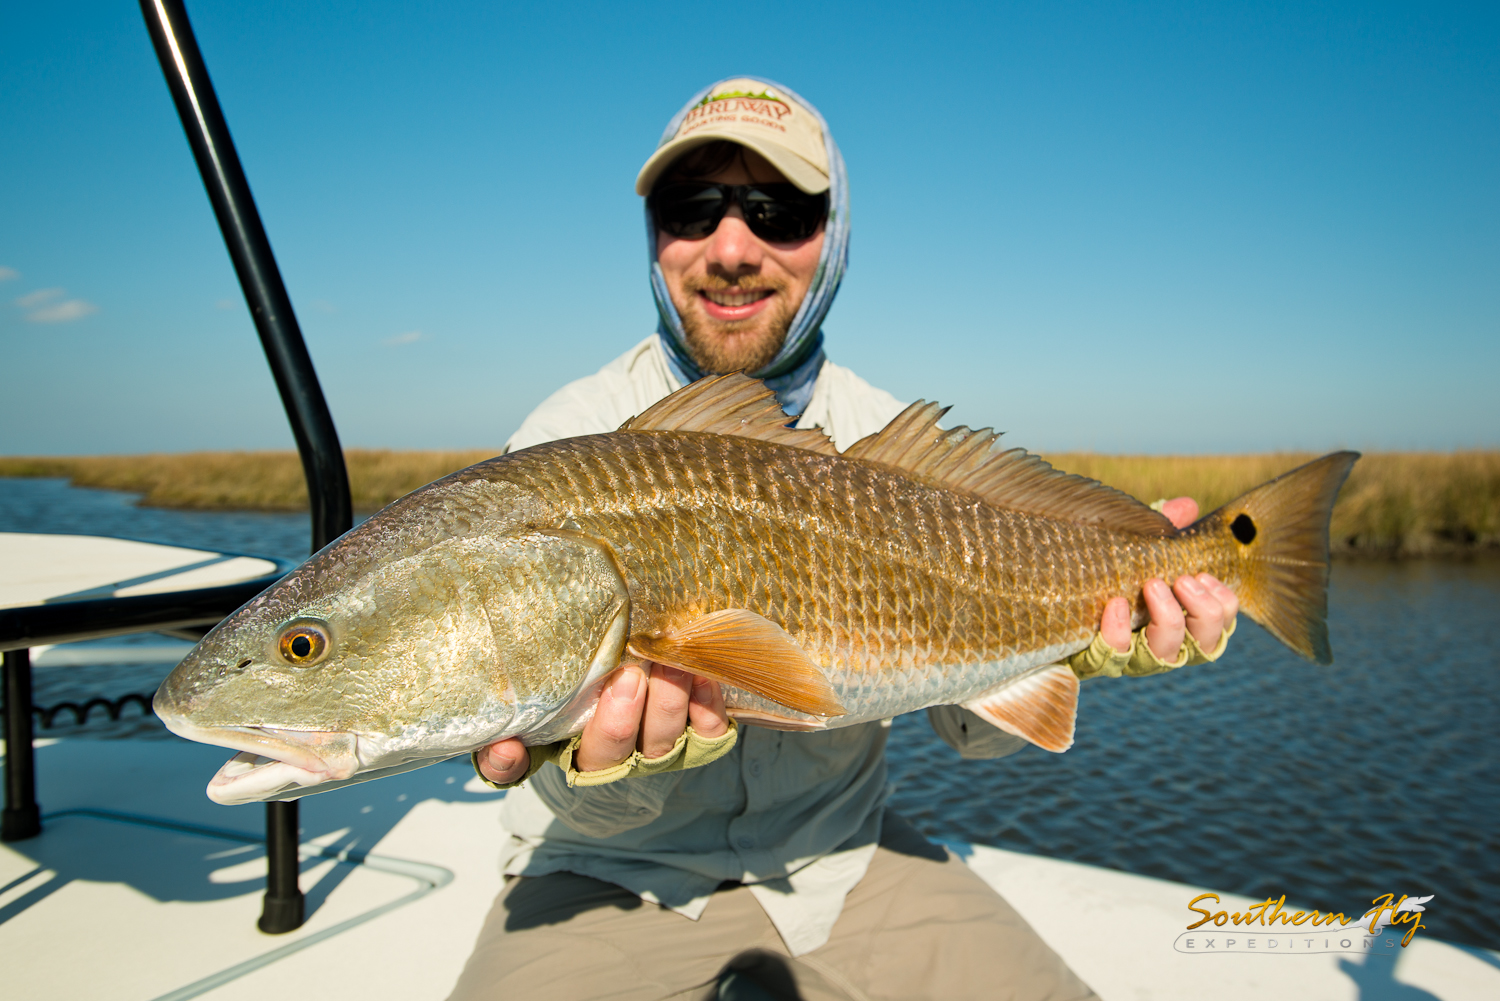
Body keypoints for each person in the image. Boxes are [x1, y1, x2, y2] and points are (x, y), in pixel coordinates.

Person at [447, 78, 1238, 1001]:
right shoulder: (561, 446)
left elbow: (967, 729)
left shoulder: (895, 443)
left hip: (845, 861)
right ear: (654, 235)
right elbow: (525, 767)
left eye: (779, 211)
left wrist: (1072, 646)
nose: (731, 247)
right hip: (607, 875)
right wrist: (603, 772)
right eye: (691, 208)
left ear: (837, 236)